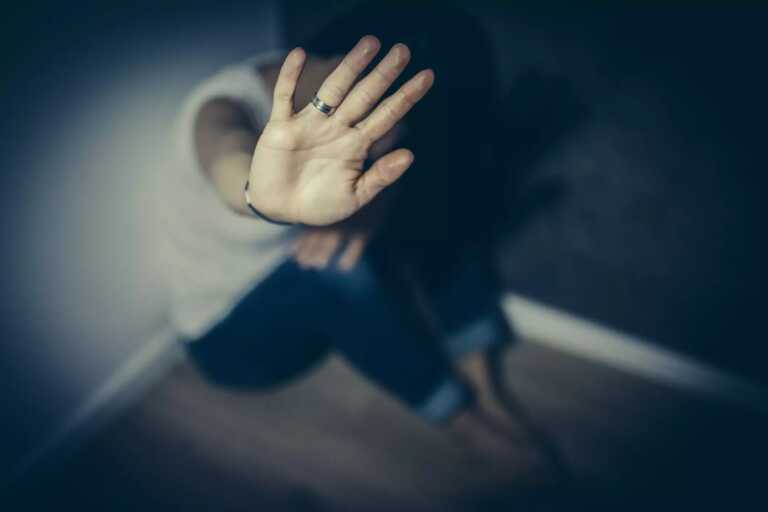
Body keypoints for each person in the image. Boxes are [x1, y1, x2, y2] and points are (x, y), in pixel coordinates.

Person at [160, 4, 521, 466]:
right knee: (335, 272)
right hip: (231, 344)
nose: (383, 141)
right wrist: (255, 193)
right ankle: (464, 421)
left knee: (434, 196)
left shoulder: (355, 104)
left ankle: (480, 376)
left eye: (397, 129)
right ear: (339, 66)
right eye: (382, 125)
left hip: (319, 307)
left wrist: (371, 214)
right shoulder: (220, 107)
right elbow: (225, 152)